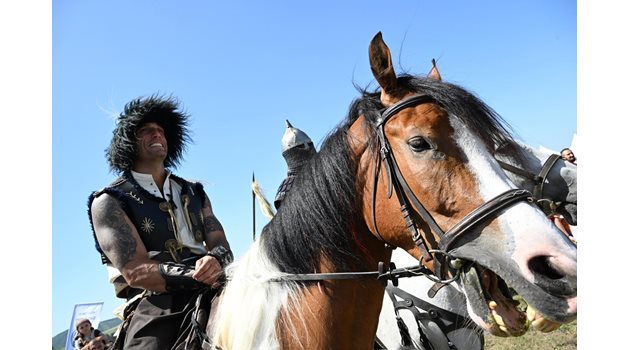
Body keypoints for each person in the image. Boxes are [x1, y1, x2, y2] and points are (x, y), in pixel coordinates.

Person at [87, 94, 233, 350]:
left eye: (161, 131)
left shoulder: (195, 192)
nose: (156, 135)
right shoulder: (108, 201)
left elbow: (220, 242)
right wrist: (199, 275)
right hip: (156, 302)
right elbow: (135, 271)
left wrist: (217, 260)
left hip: (217, 283)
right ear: (129, 142)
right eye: (146, 131)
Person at [273, 120, 317, 209]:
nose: (307, 148)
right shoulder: (287, 188)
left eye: (309, 144)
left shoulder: (325, 174)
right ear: (290, 154)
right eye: (300, 146)